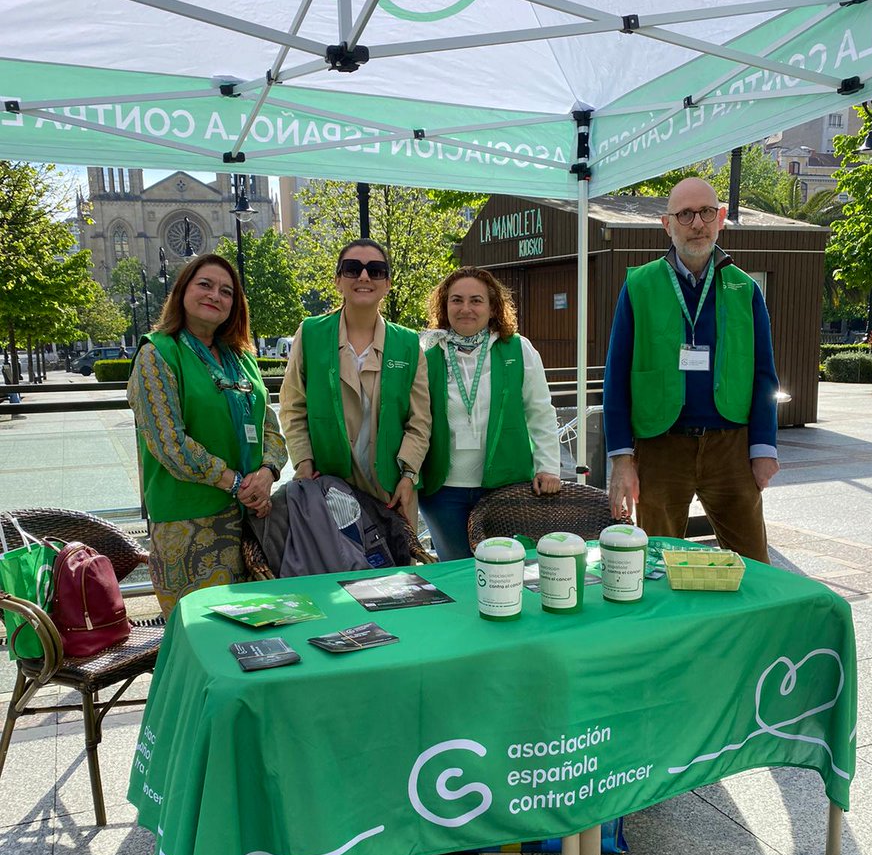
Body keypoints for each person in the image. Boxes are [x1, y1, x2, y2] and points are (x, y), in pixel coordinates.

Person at [603, 177, 779, 564]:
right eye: (685, 214)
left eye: (705, 213)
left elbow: (765, 375)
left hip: (731, 445)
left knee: (752, 561)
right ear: (668, 224)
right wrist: (621, 459)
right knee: (657, 562)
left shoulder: (745, 288)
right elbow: (616, 376)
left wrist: (763, 448)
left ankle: (748, 626)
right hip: (661, 444)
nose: (696, 223)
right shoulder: (639, 286)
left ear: (720, 218)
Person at [127, 254, 287, 618]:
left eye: (226, 291)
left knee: (263, 634)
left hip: (253, 521)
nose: (216, 295)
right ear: (182, 290)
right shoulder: (158, 354)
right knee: (206, 639)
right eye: (205, 285)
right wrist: (236, 484)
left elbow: (270, 429)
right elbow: (170, 445)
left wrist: (266, 475)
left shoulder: (241, 358)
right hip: (189, 529)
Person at [279, 239, 431, 527]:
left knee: (395, 571)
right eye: (352, 269)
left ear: (387, 284)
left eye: (375, 270)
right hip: (328, 488)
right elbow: (292, 406)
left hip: (390, 491)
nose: (363, 276)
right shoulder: (311, 333)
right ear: (338, 280)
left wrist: (409, 476)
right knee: (334, 567)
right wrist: (303, 462)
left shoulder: (408, 343)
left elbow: (419, 421)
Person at [418, 267, 561, 561]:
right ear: (444, 306)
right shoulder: (427, 353)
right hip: (442, 493)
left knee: (505, 568)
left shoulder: (518, 349)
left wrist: (548, 467)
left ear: (493, 306)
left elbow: (540, 412)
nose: (466, 308)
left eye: (476, 300)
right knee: (456, 573)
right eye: (456, 300)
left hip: (505, 487)